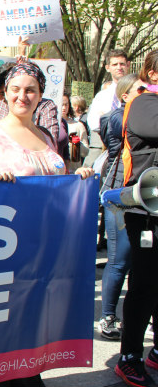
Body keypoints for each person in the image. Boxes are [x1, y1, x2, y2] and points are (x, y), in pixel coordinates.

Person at [0, 62, 93, 387]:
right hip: (2, 257)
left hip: (44, 253)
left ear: (41, 94)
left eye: (31, 90)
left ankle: (26, 373)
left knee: (30, 328)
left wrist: (78, 180)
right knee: (0, 332)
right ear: (3, 92)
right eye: (16, 89)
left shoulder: (45, 135)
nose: (23, 96)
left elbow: (53, 185)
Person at [114, 49, 158, 387]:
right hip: (145, 211)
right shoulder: (143, 102)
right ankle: (129, 356)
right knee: (144, 284)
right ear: (152, 73)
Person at [97, 73, 144, 342]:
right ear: (125, 95)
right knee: (119, 260)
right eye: (141, 90)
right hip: (120, 194)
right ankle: (108, 316)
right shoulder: (118, 117)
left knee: (143, 261)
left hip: (142, 194)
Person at [85, 50, 130, 168]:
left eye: (122, 64)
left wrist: (105, 117)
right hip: (105, 147)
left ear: (128, 65)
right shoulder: (102, 96)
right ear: (108, 67)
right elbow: (94, 123)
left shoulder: (137, 91)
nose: (119, 67)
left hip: (130, 147)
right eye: (115, 64)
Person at [62, 92, 89, 172]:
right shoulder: (50, 125)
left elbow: (86, 152)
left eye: (66, 105)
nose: (64, 108)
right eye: (61, 104)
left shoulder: (78, 125)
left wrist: (77, 144)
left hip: (73, 171)